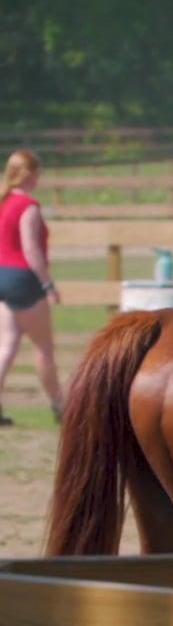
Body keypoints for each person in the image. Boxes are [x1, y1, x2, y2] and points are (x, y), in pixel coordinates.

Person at [0, 149, 62, 427]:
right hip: (23, 278)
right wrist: (47, 284)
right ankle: (60, 406)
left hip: (2, 276)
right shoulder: (29, 206)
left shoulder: (3, 202)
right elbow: (30, 248)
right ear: (31, 175)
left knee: (7, 345)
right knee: (44, 350)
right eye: (38, 174)